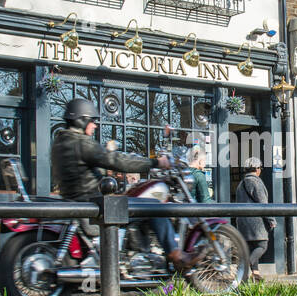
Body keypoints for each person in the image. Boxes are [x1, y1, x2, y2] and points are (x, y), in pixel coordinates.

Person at [51, 98, 196, 271]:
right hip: (96, 205)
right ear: (81, 120)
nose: (95, 125)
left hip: (83, 202)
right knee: (155, 206)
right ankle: (176, 255)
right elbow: (117, 161)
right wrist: (155, 163)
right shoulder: (80, 143)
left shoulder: (60, 142)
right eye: (92, 121)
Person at [235, 156, 275, 281]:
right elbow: (263, 203)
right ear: (257, 169)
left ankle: (255, 275)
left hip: (242, 221)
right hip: (255, 222)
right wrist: (271, 219)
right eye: (260, 168)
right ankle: (244, 267)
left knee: (251, 247)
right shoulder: (256, 182)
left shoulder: (241, 184)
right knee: (262, 245)